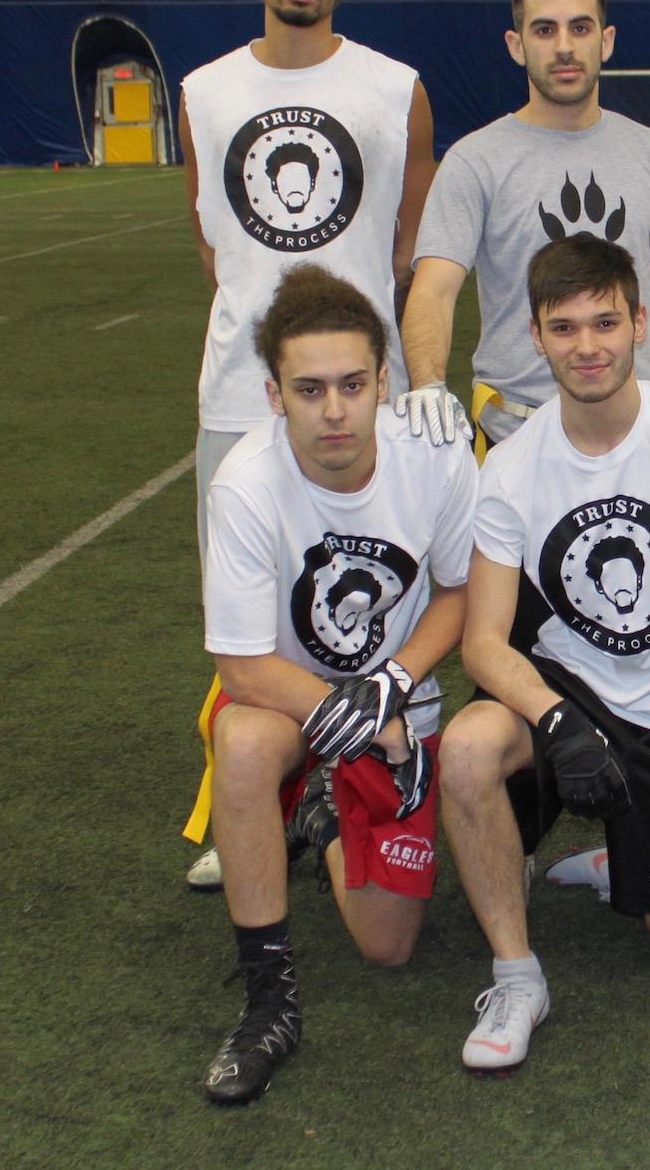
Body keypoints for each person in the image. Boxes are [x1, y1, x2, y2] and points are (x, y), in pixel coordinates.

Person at [437, 233, 650, 1074]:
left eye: (605, 323)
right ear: (535, 335)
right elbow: (483, 641)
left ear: (640, 324)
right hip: (574, 691)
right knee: (468, 749)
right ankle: (516, 976)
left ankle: (619, 855)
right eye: (564, 327)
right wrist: (556, 721)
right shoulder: (511, 469)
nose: (586, 346)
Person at [180, 0, 436, 889]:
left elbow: (409, 243)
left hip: (365, 393)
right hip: (240, 392)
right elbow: (211, 238)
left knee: (379, 593)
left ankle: (375, 784)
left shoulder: (394, 87)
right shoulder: (204, 90)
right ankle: (251, 804)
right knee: (249, 617)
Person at [198, 266, 478, 1104]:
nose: (333, 411)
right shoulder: (245, 484)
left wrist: (390, 685)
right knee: (242, 744)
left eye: (353, 385)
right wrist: (356, 718)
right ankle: (268, 1004)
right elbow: (242, 666)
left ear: (384, 382)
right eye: (309, 389)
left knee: (388, 946)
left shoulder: (433, 456)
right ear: (274, 395)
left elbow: (460, 592)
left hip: (395, 695)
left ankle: (319, 816)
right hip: (287, 695)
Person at [398, 0, 650, 454]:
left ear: (606, 41)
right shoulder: (474, 160)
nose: (564, 46)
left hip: (643, 433)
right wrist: (428, 383)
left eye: (580, 28)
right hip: (516, 435)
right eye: (544, 30)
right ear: (516, 45)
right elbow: (434, 288)